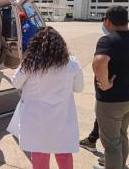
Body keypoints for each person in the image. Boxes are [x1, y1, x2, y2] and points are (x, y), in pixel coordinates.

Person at [7, 26, 84, 169]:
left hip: (37, 120)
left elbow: (16, 83)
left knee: (39, 154)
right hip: (63, 119)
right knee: (64, 154)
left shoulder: (30, 63)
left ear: (35, 44)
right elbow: (79, 88)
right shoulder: (72, 63)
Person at [93, 6, 129, 169]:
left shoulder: (108, 40)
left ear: (108, 21)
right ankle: (121, 165)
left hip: (111, 103)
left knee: (111, 144)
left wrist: (105, 83)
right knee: (121, 135)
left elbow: (99, 61)